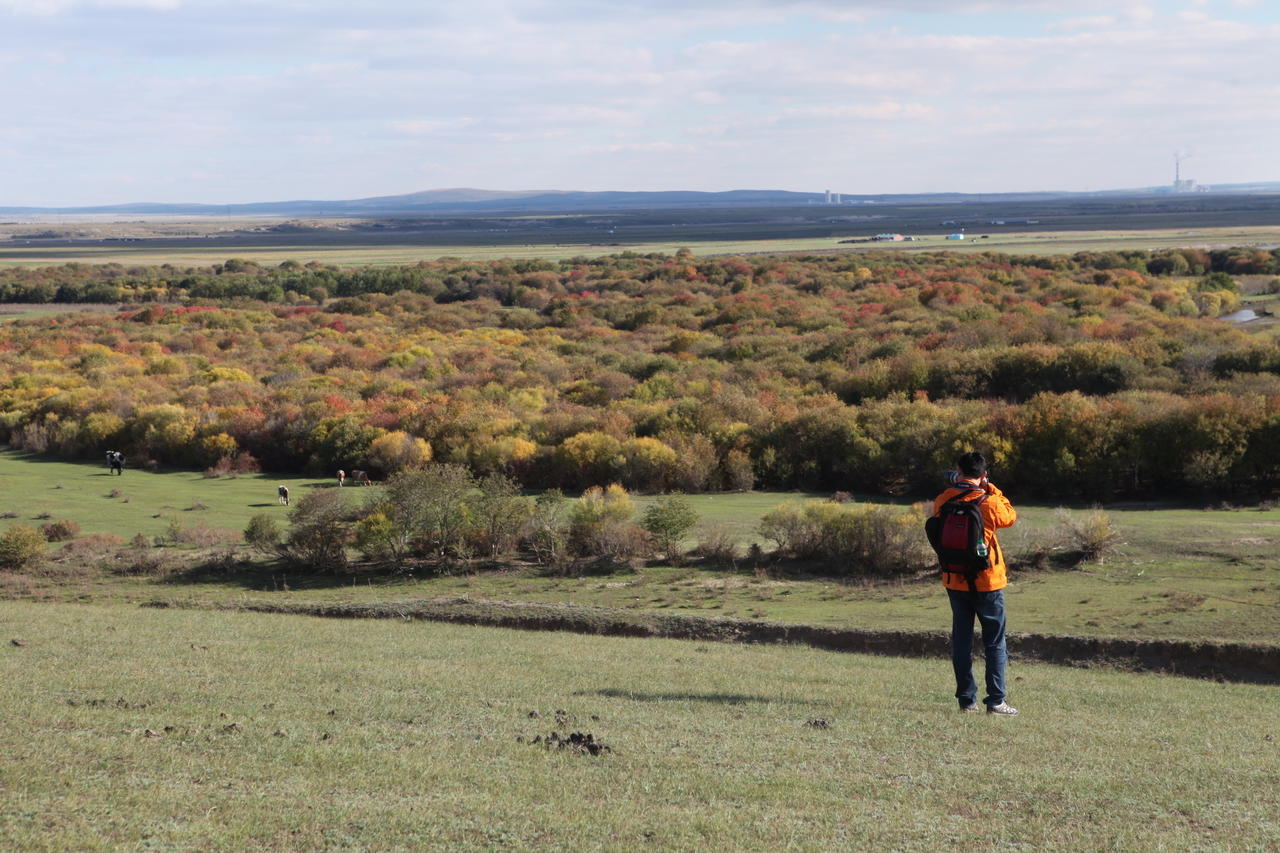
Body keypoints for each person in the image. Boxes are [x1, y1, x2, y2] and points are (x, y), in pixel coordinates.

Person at [933, 450, 1018, 716]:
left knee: (962, 640)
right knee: (994, 642)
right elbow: (1010, 516)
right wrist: (991, 487)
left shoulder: (944, 499)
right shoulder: (990, 502)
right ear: (983, 474)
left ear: (958, 471)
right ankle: (996, 701)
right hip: (987, 582)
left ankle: (966, 701)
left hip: (954, 580)